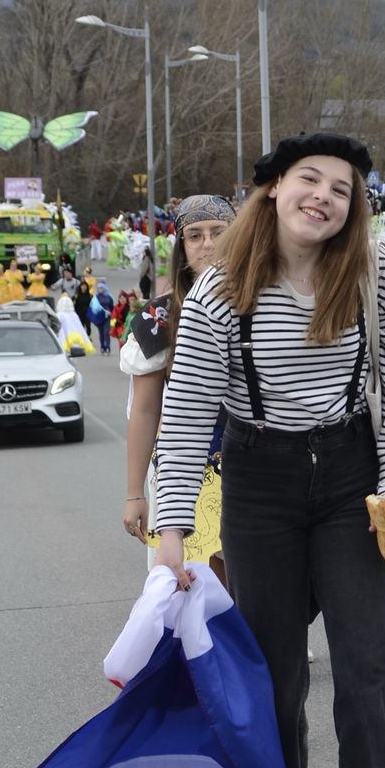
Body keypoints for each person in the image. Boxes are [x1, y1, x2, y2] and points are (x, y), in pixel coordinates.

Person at [153, 132, 385, 768]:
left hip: (351, 477)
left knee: (365, 671)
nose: (325, 198)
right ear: (272, 189)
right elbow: (185, 417)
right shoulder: (219, 293)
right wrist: (171, 528)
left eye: (342, 190)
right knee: (274, 679)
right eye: (310, 180)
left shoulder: (371, 273)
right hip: (258, 482)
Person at [122, 195, 237, 571]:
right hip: (189, 468)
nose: (208, 243)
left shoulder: (266, 303)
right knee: (201, 585)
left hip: (260, 464)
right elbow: (144, 408)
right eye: (195, 235)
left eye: (219, 232)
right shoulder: (159, 317)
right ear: (181, 246)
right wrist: (134, 492)